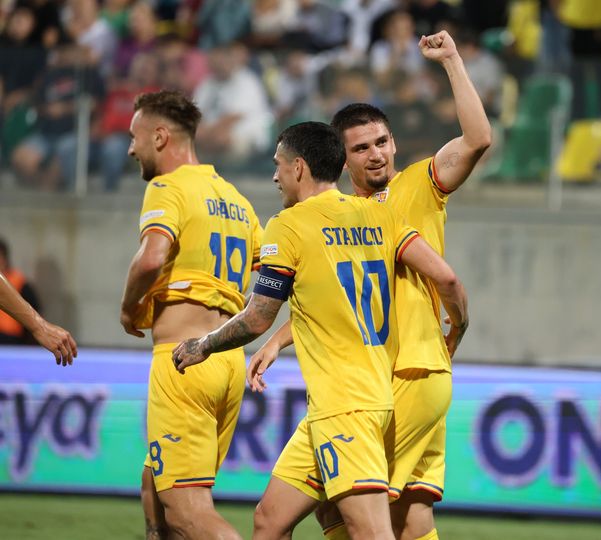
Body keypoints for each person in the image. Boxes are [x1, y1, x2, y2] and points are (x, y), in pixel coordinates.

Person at [172, 121, 469, 540]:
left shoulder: (288, 225)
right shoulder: (379, 215)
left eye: (278, 165)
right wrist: (458, 325)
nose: (275, 176)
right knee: (270, 520)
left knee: (373, 531)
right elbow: (447, 279)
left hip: (346, 406)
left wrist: (204, 345)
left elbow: (257, 317)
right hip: (354, 400)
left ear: (298, 167)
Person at [254, 29, 490, 540]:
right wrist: (277, 340)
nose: (376, 154)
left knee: (346, 508)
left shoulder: (419, 185)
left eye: (382, 142)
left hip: (406, 372)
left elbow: (477, 140)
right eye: (361, 148)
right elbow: (336, 301)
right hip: (387, 376)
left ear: (395, 143)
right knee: (408, 516)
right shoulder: (342, 217)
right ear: (342, 159)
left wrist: (452, 61)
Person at [119, 90, 262, 539]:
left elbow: (150, 259)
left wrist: (129, 309)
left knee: (187, 513)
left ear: (160, 137)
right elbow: (275, 269)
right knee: (158, 481)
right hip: (225, 360)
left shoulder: (168, 187)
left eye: (135, 136)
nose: (130, 148)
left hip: (183, 360)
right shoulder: (236, 200)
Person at [0, 238, 76, 364]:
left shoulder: (21, 283)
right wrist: (40, 327)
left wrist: (39, 327)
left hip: (13, 345)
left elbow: (35, 307)